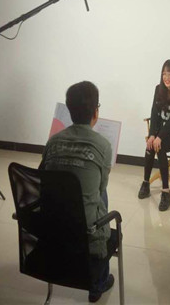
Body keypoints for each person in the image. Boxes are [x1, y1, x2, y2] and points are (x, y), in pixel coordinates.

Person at [39, 81, 115, 303]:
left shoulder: (53, 142)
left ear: (70, 111)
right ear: (95, 112)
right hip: (86, 235)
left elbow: (42, 177)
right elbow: (100, 187)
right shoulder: (103, 145)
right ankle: (97, 283)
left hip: (51, 230)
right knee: (101, 194)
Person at [138, 59, 170, 211]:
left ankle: (165, 192)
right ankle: (146, 183)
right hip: (160, 132)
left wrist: (159, 137)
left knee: (159, 147)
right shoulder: (158, 89)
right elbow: (154, 113)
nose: (166, 77)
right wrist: (152, 135)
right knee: (150, 145)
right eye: (164, 74)